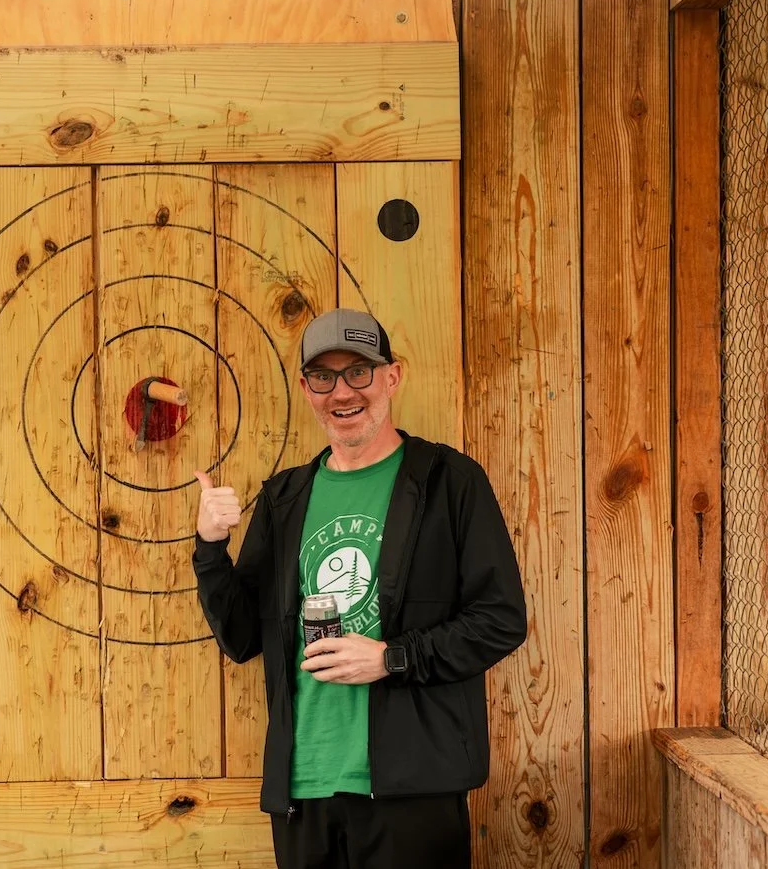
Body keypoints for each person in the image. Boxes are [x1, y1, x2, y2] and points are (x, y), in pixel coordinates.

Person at [192, 308, 527, 869]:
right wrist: (209, 546)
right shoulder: (284, 498)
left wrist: (393, 657)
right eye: (323, 376)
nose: (341, 392)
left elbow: (500, 619)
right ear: (305, 388)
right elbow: (243, 635)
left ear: (391, 377)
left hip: (414, 786)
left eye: (359, 372)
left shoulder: (450, 482)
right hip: (304, 788)